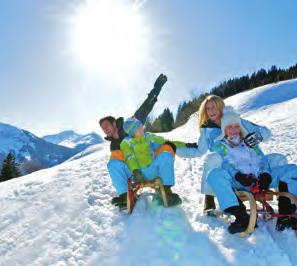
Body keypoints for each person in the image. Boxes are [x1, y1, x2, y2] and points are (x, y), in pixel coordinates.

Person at [207, 111, 297, 234]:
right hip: (239, 181)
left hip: (260, 180)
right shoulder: (221, 146)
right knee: (214, 175)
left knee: (292, 170)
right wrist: (238, 175)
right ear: (223, 129)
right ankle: (242, 218)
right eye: (229, 126)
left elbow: (261, 158)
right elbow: (226, 164)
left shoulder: (249, 141)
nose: (234, 129)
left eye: (236, 126)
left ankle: (287, 216)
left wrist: (265, 174)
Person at [176, 95, 286, 215]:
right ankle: (209, 197)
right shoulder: (207, 130)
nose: (211, 111)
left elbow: (266, 133)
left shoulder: (235, 120)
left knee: (279, 159)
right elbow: (199, 150)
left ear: (220, 107)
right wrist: (176, 150)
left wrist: (256, 136)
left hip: (251, 165)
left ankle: (285, 201)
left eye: (214, 107)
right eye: (207, 108)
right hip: (229, 168)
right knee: (212, 158)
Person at [99, 74, 168, 207]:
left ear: (114, 123)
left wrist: (157, 88)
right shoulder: (113, 145)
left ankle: (165, 188)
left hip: (146, 163)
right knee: (113, 164)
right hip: (133, 171)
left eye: (107, 125)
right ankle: (125, 196)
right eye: (103, 128)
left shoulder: (129, 127)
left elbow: (145, 108)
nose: (105, 129)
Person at [119, 118, 186, 207]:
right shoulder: (126, 142)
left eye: (141, 127)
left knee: (166, 155)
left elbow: (166, 142)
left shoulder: (148, 137)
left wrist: (186, 145)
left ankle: (166, 192)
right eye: (138, 129)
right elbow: (129, 157)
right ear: (132, 132)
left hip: (153, 169)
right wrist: (135, 171)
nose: (141, 129)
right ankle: (127, 198)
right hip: (139, 174)